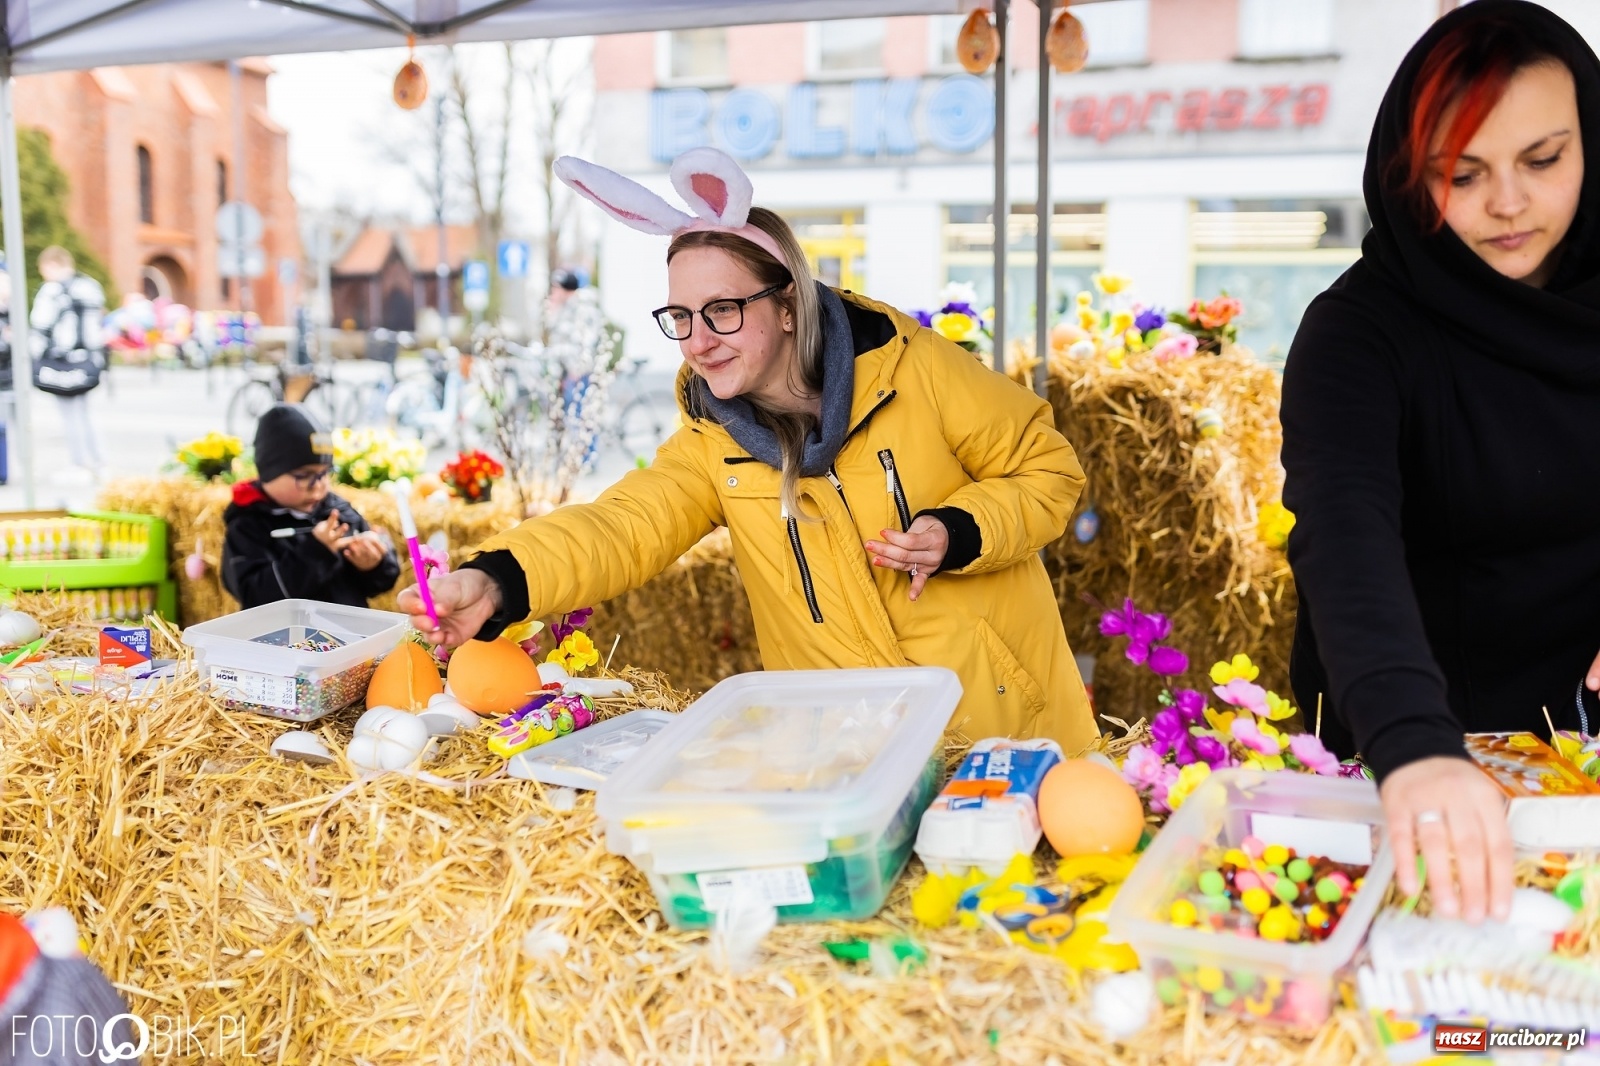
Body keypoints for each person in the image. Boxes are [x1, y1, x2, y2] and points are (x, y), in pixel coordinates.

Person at [399, 147, 1098, 750]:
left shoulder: (913, 369)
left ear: (788, 305)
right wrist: (498, 579)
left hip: (995, 727)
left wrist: (960, 530)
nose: (699, 341)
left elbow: (1048, 470)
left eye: (724, 311)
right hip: (851, 749)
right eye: (681, 316)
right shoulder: (714, 438)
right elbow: (622, 527)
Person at [1280, 0, 1600, 927]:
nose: (1508, 203)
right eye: (1462, 174)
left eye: (1544, 161)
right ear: (1408, 174)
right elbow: (1344, 534)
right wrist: (1414, 744)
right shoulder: (1359, 332)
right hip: (1414, 728)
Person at [222, 404, 400, 610]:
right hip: (284, 639)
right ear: (269, 471)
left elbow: (379, 582)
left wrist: (374, 565)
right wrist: (316, 552)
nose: (317, 487)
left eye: (324, 474)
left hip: (349, 635)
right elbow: (254, 596)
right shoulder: (249, 525)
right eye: (304, 476)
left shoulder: (338, 511)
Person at [29, 246, 105, 479]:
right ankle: (99, 463)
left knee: (70, 415)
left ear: (51, 265)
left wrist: (32, 356)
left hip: (62, 362)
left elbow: (40, 325)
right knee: (85, 413)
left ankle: (78, 464)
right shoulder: (90, 286)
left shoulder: (52, 290)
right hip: (89, 360)